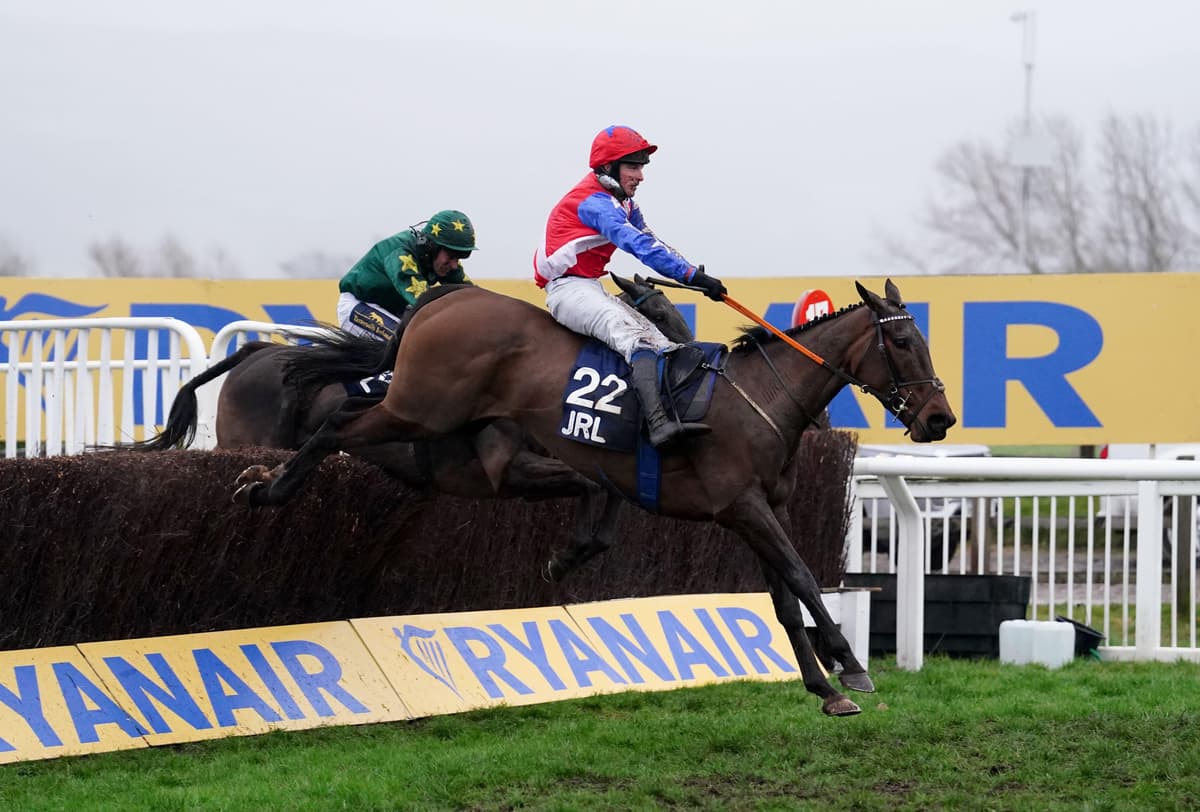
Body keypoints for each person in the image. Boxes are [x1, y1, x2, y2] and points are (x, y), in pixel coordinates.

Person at [534, 125, 727, 448]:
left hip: (588, 286)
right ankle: (657, 426)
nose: (640, 176)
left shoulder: (623, 203)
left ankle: (670, 414)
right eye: (633, 167)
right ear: (609, 167)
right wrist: (690, 276)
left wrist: (693, 273)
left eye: (641, 167)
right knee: (639, 340)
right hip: (568, 291)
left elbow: (653, 240)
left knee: (663, 343)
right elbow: (639, 246)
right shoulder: (595, 203)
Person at [337, 209, 477, 341]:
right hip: (359, 305)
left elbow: (470, 294)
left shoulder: (440, 259)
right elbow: (424, 300)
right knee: (405, 345)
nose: (454, 265)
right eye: (451, 256)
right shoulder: (401, 255)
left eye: (458, 258)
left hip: (391, 311)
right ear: (432, 247)